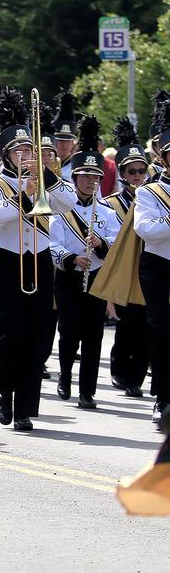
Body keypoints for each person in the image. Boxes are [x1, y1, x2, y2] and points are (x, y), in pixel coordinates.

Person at [0, 87, 76, 431]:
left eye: (28, 149)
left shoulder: (49, 179)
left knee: (37, 336)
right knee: (12, 332)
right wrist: (25, 194)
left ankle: (25, 407)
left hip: (39, 258)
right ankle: (6, 392)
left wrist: (46, 175)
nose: (24, 154)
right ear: (6, 155)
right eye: (18, 150)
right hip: (6, 260)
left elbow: (68, 203)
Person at [50, 116, 119, 410]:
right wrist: (72, 257)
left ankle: (87, 390)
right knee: (69, 331)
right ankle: (65, 376)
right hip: (68, 276)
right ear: (75, 178)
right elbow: (51, 245)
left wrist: (101, 245)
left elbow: (116, 246)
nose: (92, 182)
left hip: (97, 278)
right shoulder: (60, 209)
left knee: (93, 335)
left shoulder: (107, 211)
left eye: (96, 178)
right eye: (87, 177)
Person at [105, 118, 150, 397]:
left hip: (148, 270)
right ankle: (119, 369)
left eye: (142, 171)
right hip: (123, 272)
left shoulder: (152, 197)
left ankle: (135, 378)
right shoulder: (110, 204)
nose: (137, 177)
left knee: (147, 326)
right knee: (127, 324)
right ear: (122, 174)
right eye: (132, 172)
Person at [135, 112, 170, 424]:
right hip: (159, 265)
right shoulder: (149, 191)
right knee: (161, 328)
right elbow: (146, 229)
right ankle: (162, 396)